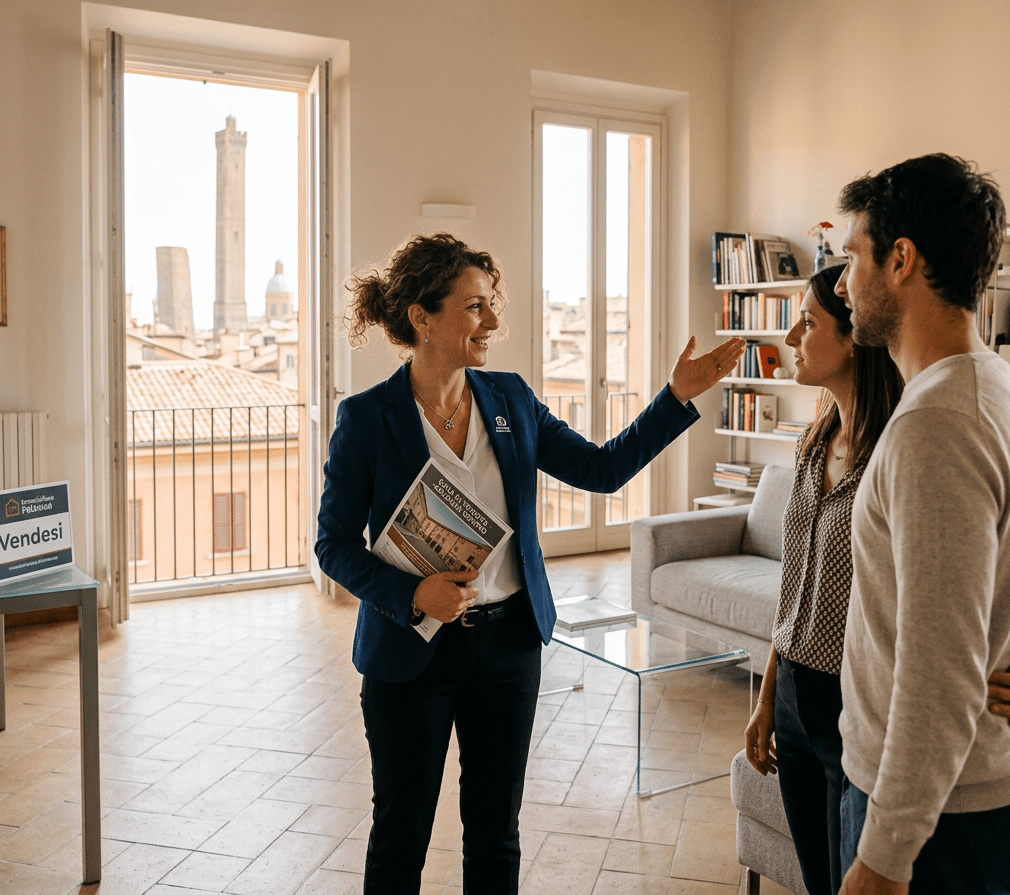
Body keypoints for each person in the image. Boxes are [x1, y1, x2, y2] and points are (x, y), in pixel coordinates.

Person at [314, 232, 744, 895]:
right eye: (475, 306)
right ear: (422, 319)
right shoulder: (367, 418)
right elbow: (333, 544)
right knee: (401, 833)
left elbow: (600, 470)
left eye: (491, 305)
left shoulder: (511, 397)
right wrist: (410, 594)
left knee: (495, 833)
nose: (492, 321)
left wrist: (675, 398)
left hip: (508, 649)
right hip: (408, 654)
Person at [833, 154, 1010, 895]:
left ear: (901, 260)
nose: (844, 284)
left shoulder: (939, 421)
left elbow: (937, 673)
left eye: (852, 258)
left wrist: (885, 858)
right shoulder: (991, 384)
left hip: (932, 823)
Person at [744, 264, 903, 895]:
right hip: (792, 700)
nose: (790, 337)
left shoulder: (894, 452)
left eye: (808, 322)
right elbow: (794, 588)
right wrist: (764, 700)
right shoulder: (815, 440)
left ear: (855, 337)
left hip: (856, 705)